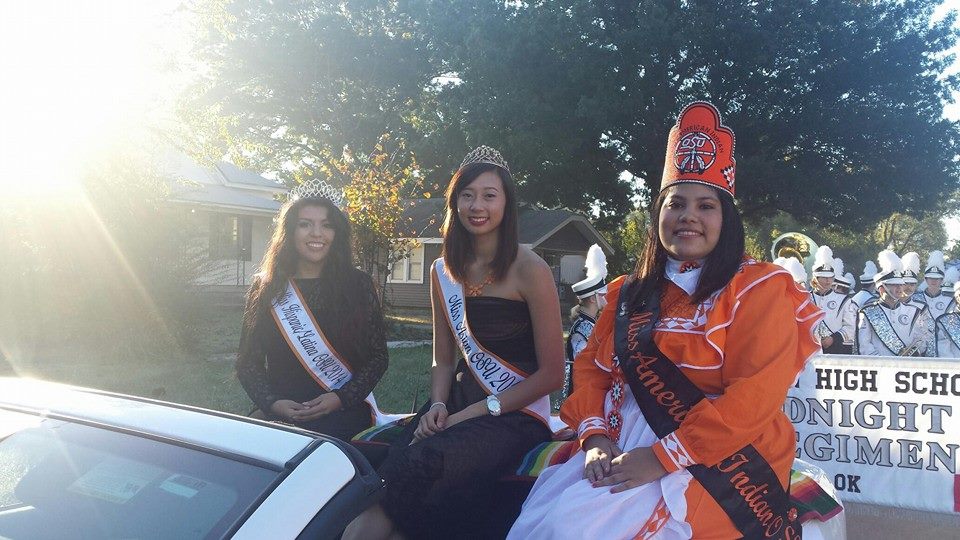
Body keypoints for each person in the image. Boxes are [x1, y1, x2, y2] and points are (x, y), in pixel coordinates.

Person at [508, 102, 823, 539]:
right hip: (619, 444)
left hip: (723, 456)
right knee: (539, 520)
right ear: (658, 216)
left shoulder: (758, 288)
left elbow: (754, 397)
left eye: (706, 205)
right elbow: (590, 371)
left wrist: (661, 458)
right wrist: (595, 439)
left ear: (726, 219)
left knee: (572, 525)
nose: (688, 216)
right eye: (676, 203)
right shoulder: (627, 291)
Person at [343, 146, 563, 540]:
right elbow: (443, 359)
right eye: (467, 194)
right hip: (455, 403)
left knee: (426, 463)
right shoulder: (441, 269)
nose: (477, 205)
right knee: (385, 479)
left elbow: (550, 375)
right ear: (454, 202)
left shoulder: (530, 268)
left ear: (506, 204)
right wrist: (440, 404)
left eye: (489, 195)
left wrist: (468, 414)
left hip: (515, 415)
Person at [235, 180, 388, 441]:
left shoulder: (358, 285)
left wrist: (340, 398)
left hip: (344, 411)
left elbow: (377, 358)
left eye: (326, 225)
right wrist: (273, 403)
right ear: (290, 232)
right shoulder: (266, 287)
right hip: (282, 410)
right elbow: (248, 362)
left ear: (337, 233)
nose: (316, 233)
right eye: (305, 224)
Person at [855, 250, 933, 357]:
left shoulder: (914, 311)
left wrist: (913, 353)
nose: (900, 288)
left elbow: (921, 339)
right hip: (880, 369)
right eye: (894, 285)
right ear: (882, 289)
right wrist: (886, 364)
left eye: (900, 285)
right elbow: (864, 346)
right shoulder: (867, 312)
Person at [563, 244, 609, 403]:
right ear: (592, 298)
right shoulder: (581, 328)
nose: (606, 297)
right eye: (602, 295)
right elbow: (584, 363)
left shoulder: (591, 323)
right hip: (581, 392)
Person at [810, 248, 856, 354]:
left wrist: (834, 338)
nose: (828, 281)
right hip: (811, 351)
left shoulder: (843, 300)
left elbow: (851, 326)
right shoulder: (806, 299)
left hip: (836, 350)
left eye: (830, 277)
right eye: (823, 277)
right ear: (815, 279)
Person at [912, 251, 954, 321]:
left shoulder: (949, 300)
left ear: (942, 280)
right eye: (931, 278)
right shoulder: (915, 298)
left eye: (937, 278)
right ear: (925, 279)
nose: (933, 281)